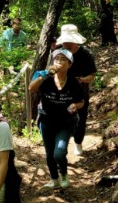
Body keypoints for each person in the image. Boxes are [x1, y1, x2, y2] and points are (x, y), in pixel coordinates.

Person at [30, 48, 86, 190]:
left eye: (63, 59)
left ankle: (64, 175)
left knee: (59, 152)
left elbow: (81, 102)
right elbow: (32, 88)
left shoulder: (73, 82)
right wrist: (45, 74)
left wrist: (75, 105)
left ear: (69, 64)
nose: (59, 62)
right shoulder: (46, 78)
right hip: (46, 121)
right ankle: (54, 180)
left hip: (66, 123)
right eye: (56, 59)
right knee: (49, 154)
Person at [55, 24, 96, 152]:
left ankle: (78, 142)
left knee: (80, 119)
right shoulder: (58, 53)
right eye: (64, 41)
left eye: (68, 41)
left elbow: (92, 75)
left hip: (81, 92)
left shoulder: (86, 54)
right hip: (61, 91)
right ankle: (62, 146)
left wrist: (81, 80)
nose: (66, 44)